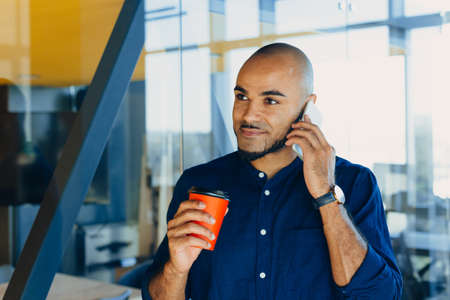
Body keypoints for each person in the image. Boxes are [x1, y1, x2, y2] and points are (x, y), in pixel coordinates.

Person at [141, 43, 403, 299]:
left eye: (270, 100)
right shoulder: (198, 182)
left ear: (307, 108)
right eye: (242, 96)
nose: (249, 115)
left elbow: (381, 294)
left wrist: (326, 195)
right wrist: (176, 269)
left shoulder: (354, 183)